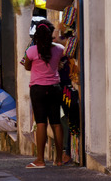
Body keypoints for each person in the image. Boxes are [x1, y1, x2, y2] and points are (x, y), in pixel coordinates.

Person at [23, 21, 70, 168]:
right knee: (56, 122)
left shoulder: (32, 51)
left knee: (41, 123)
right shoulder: (59, 49)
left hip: (38, 89)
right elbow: (62, 58)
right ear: (51, 35)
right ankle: (59, 159)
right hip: (55, 88)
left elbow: (27, 66)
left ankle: (40, 160)